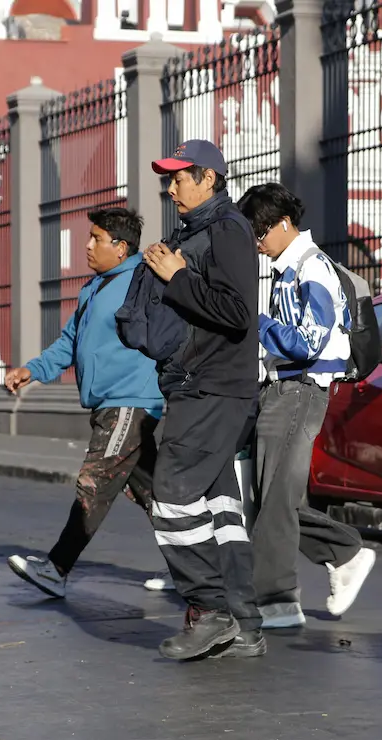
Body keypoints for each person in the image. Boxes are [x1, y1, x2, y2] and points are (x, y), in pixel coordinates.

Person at [138, 139, 263, 660]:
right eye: (168, 178)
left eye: (180, 177)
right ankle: (245, 625)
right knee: (220, 508)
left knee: (169, 495)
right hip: (203, 386)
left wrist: (178, 277)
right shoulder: (201, 230)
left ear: (209, 178)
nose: (171, 188)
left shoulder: (227, 230)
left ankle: (209, 612)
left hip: (211, 387)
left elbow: (237, 313)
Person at [236, 182, 377, 629]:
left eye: (259, 234)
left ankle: (278, 601)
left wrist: (256, 324)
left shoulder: (310, 269)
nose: (257, 246)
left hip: (300, 390)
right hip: (284, 390)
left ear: (283, 224)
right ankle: (345, 554)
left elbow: (309, 342)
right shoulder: (291, 267)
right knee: (270, 497)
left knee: (275, 499)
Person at [4, 207, 162, 598]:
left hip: (131, 401)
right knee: (160, 496)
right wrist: (33, 370)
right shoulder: (95, 288)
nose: (87, 246)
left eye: (96, 239)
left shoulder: (143, 281)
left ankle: (56, 568)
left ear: (121, 248)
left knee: (95, 481)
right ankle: (199, 568)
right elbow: (70, 343)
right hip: (107, 403)